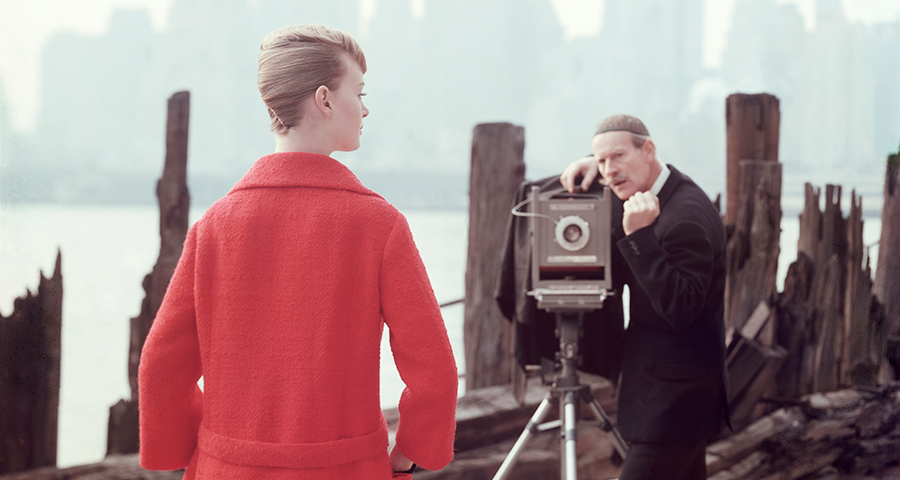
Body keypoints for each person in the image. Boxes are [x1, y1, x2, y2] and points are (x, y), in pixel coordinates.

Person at [138, 25, 458, 479]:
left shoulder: (213, 226)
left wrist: (193, 451)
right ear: (325, 100)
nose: (365, 110)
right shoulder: (378, 224)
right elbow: (435, 374)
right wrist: (408, 454)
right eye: (360, 93)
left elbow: (161, 366)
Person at [560, 114, 729, 480]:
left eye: (617, 156)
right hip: (675, 397)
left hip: (674, 404)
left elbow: (682, 309)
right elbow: (618, 160)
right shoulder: (658, 192)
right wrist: (599, 161)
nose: (609, 170)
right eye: (602, 161)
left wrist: (638, 237)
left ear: (649, 150)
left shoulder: (686, 216)